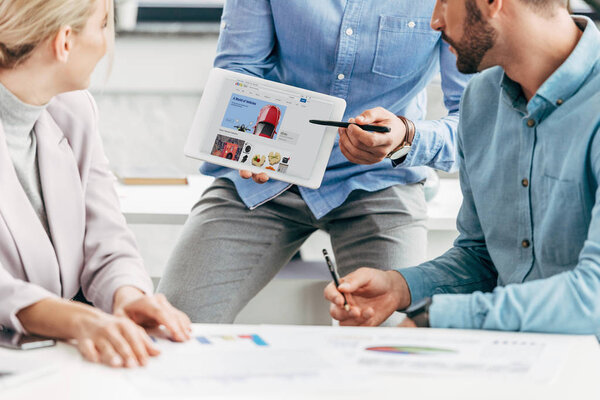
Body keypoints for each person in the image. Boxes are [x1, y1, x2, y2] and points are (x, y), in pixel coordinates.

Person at [157, 0, 471, 323]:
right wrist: (247, 135)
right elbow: (238, 72)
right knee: (169, 323)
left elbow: (475, 120)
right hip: (268, 175)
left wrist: (407, 137)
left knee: (387, 341)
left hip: (379, 181)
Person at [325, 0, 600, 336]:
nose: (435, 21)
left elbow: (594, 297)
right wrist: (399, 287)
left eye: (443, 1)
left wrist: (436, 317)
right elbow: (482, 259)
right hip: (510, 362)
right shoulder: (480, 100)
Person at [0, 0, 191, 368]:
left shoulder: (73, 110)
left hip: (49, 355)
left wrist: (127, 294)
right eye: (103, 24)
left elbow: (107, 236)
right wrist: (76, 319)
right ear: (65, 41)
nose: (106, 43)